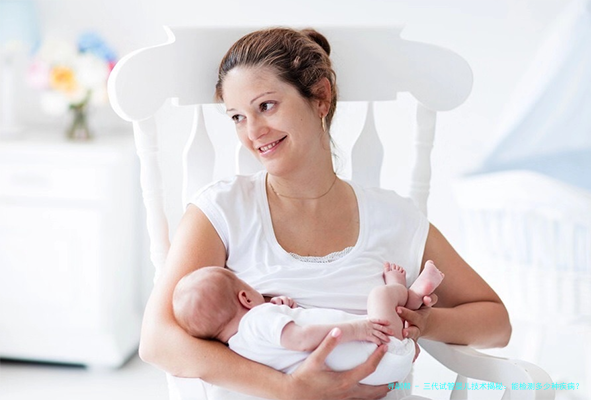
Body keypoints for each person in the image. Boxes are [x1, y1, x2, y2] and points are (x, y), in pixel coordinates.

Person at [138, 27, 512, 400]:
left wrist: (424, 322)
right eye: (237, 117)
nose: (253, 131)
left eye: (265, 106)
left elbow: (496, 324)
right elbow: (158, 341)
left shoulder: (394, 218)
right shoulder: (221, 211)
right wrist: (289, 389)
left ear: (320, 96)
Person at [172, 261, 445, 386]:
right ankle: (409, 293)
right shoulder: (257, 320)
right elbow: (301, 340)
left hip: (372, 377)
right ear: (245, 297)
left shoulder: (238, 347)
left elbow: (286, 348)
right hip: (379, 347)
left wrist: (282, 310)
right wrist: (357, 329)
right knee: (380, 296)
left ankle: (405, 302)